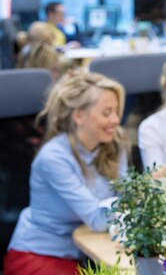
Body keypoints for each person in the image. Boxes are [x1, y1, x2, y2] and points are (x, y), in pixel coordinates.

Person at [4, 71, 129, 275]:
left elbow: (127, 198)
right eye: (106, 113)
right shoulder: (53, 158)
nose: (115, 120)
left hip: (89, 251)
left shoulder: (114, 144)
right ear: (78, 115)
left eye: (116, 111)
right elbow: (97, 219)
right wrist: (132, 202)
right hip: (40, 255)